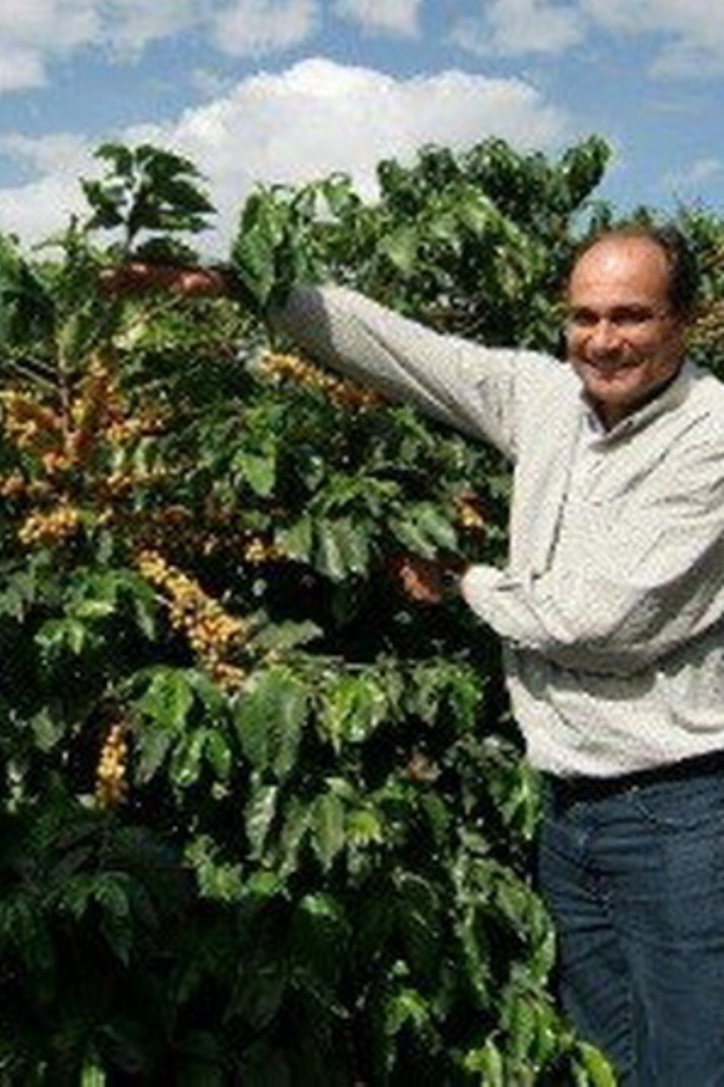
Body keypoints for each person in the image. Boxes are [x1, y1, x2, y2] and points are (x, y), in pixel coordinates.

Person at [104, 227, 724, 1085]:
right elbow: (401, 349)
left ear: (685, 318)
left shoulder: (710, 437)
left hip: (680, 812)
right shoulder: (549, 398)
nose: (602, 339)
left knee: (693, 1060)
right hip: (569, 806)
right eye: (584, 317)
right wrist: (244, 286)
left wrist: (462, 582)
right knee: (605, 1056)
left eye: (631, 316)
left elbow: (605, 623)